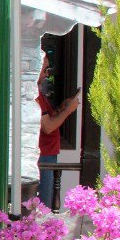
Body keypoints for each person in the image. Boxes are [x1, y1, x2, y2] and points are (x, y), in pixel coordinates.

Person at [36, 53, 79, 208]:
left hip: (48, 154)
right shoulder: (35, 96)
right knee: (44, 205)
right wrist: (67, 111)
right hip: (43, 156)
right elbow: (47, 127)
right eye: (45, 69)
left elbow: (48, 119)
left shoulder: (39, 94)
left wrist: (62, 108)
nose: (47, 74)